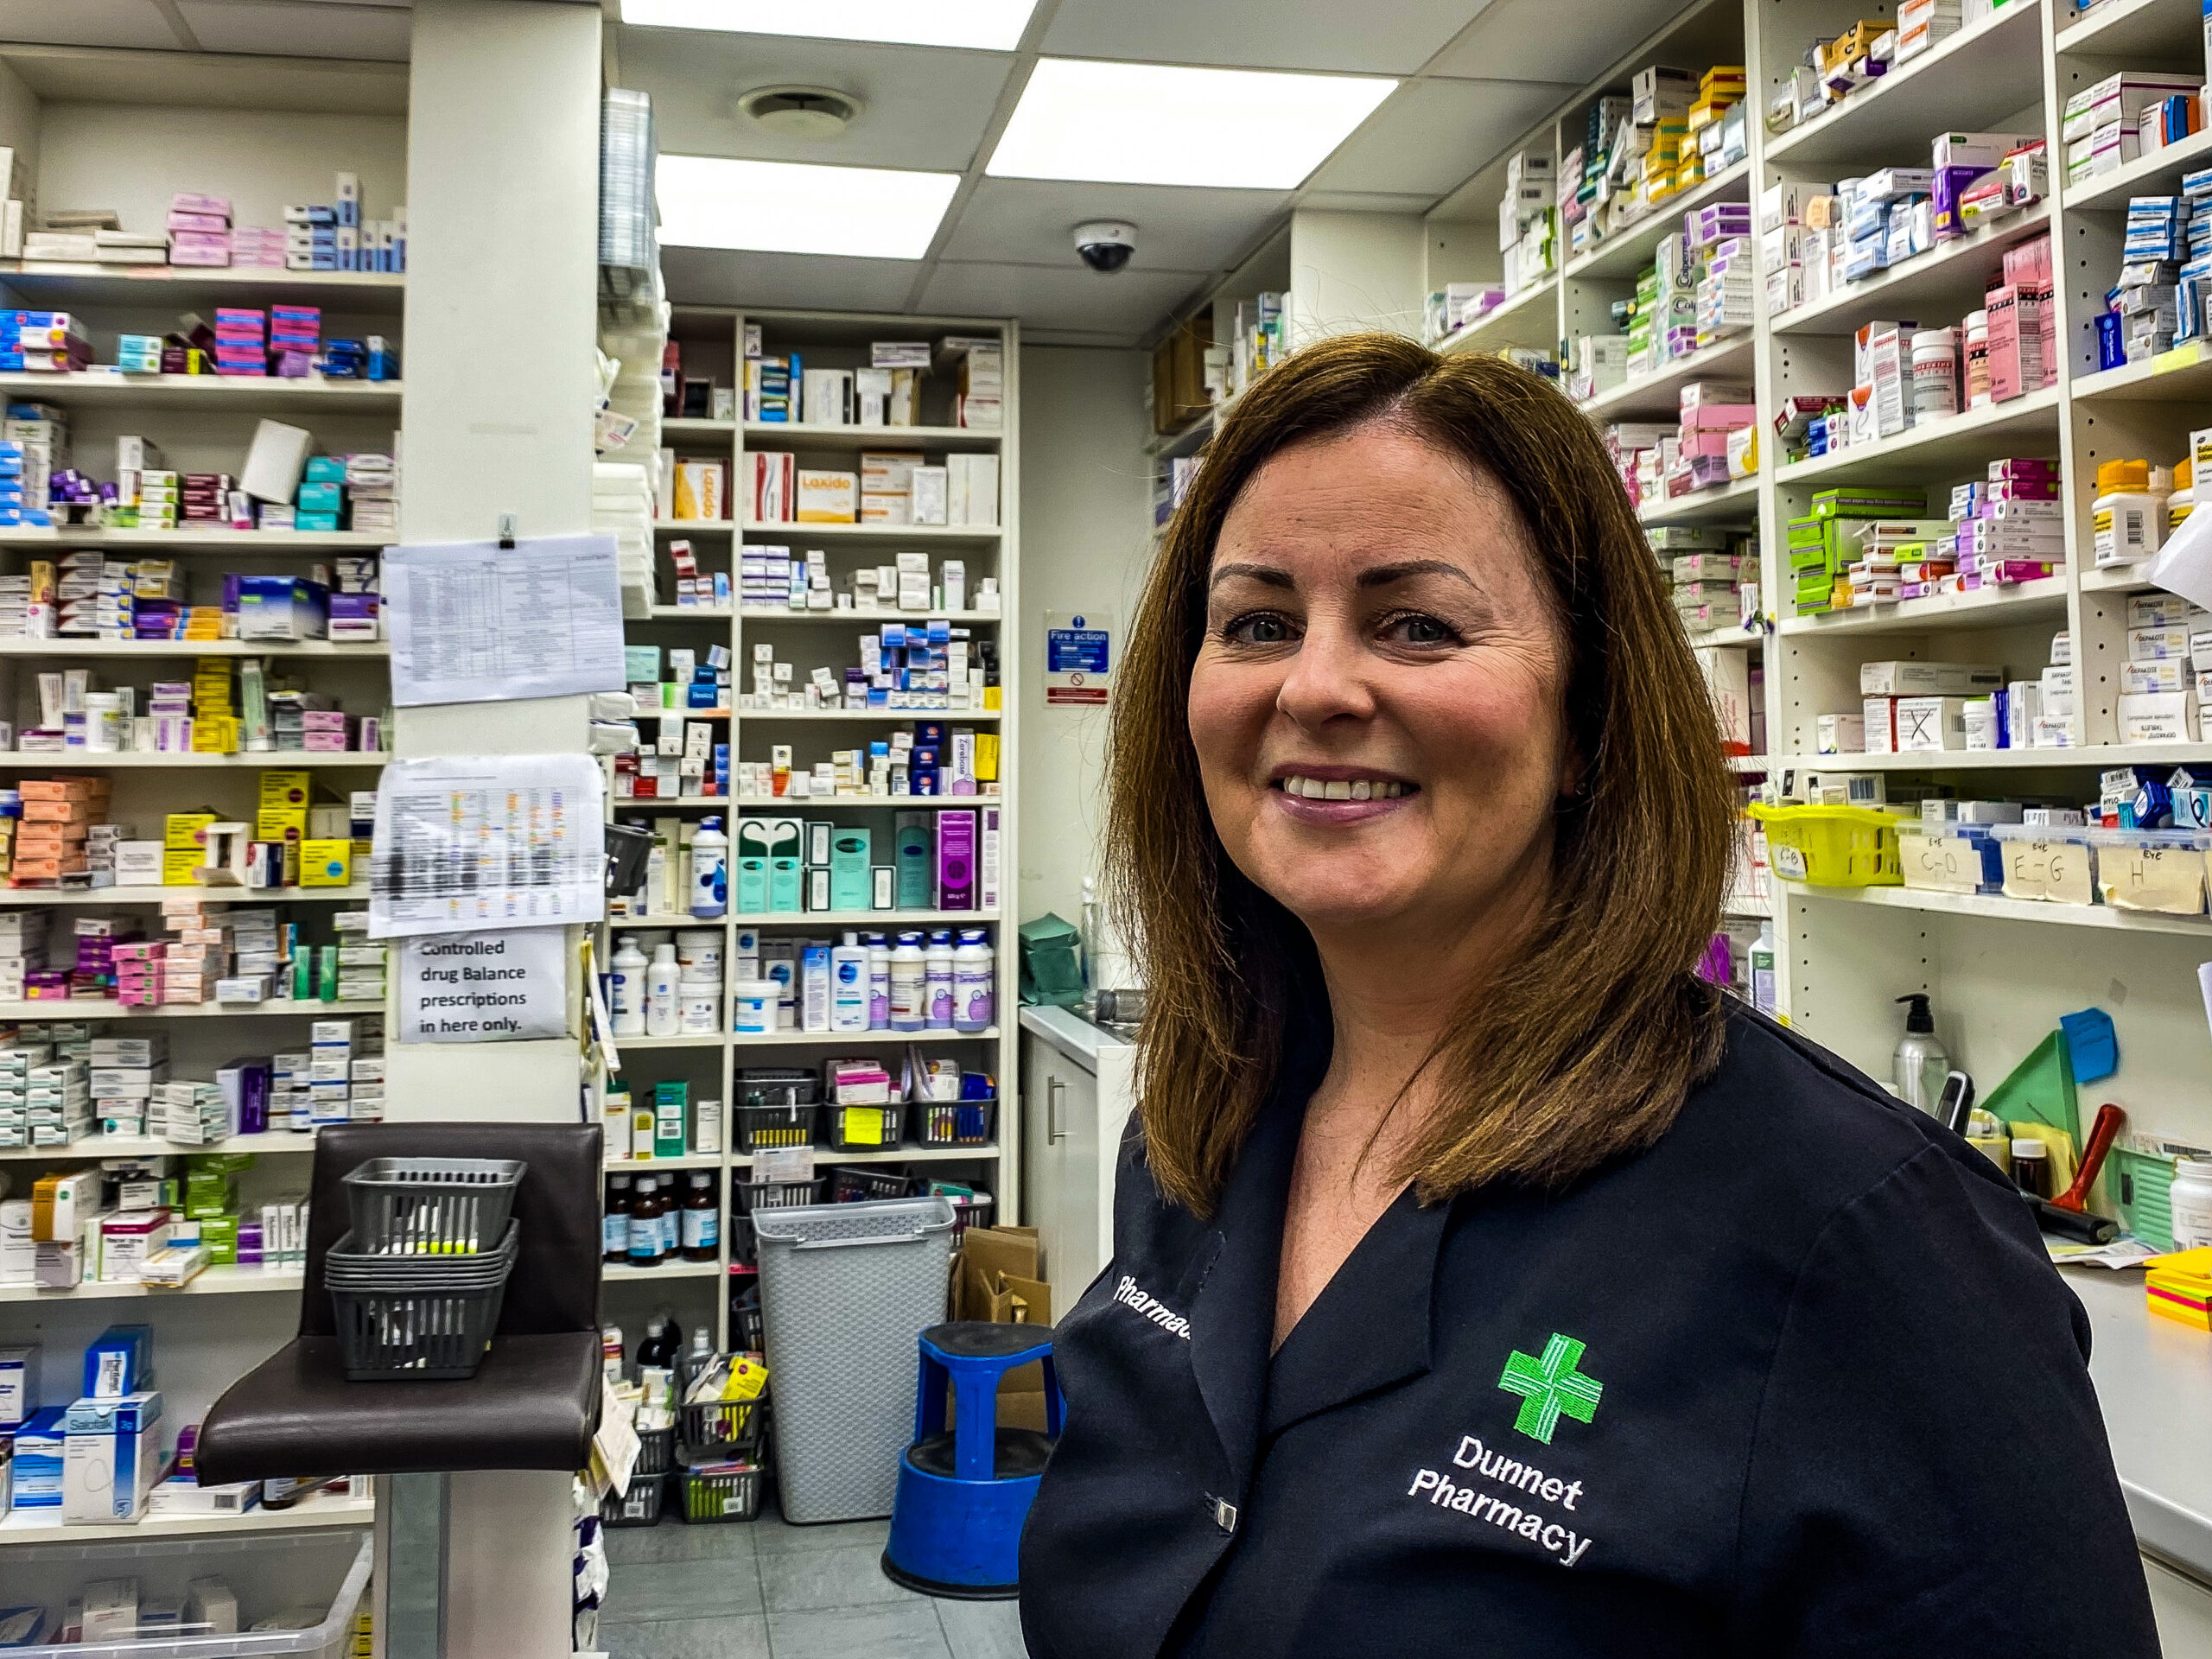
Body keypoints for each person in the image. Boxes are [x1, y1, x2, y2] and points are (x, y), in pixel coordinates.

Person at [1016, 334, 2158, 1657]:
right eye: (1259, 622)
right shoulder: (1194, 1134)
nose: (1315, 686)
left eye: (1418, 624)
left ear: (1591, 724)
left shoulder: (1860, 1240)